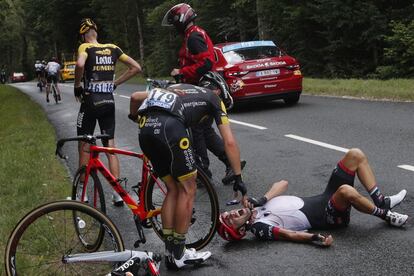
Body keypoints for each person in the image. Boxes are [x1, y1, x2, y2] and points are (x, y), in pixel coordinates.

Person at [128, 71, 246, 269]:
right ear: (219, 91)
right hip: (171, 129)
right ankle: (179, 254)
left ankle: (170, 252)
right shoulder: (215, 99)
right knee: (188, 188)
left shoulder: (177, 88)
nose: (206, 121)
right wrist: (238, 175)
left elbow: (135, 97)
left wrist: (134, 116)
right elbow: (229, 142)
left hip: (145, 129)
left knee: (173, 189)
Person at [217, 148, 408, 246]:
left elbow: (282, 183)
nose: (231, 214)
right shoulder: (259, 228)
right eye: (231, 221)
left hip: (325, 198)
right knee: (345, 191)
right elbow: (288, 235)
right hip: (329, 217)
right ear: (241, 230)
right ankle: (386, 215)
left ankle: (381, 200)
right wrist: (315, 238)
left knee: (354, 155)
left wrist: (262, 200)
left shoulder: (255, 206)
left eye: (228, 214)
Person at [162, 3, 239, 184]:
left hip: (201, 91)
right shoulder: (193, 34)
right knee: (204, 130)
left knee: (196, 130)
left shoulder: (194, 37)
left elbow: (206, 64)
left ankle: (202, 172)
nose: (174, 27)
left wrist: (181, 72)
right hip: (202, 90)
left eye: (175, 23)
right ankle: (228, 163)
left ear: (182, 19)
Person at [74, 18, 142, 206]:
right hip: (108, 101)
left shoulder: (85, 48)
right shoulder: (112, 48)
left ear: (83, 36)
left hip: (90, 102)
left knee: (84, 145)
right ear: (96, 31)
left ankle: (82, 193)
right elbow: (136, 67)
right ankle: (117, 192)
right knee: (110, 146)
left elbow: (80, 65)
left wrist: (77, 85)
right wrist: (115, 83)